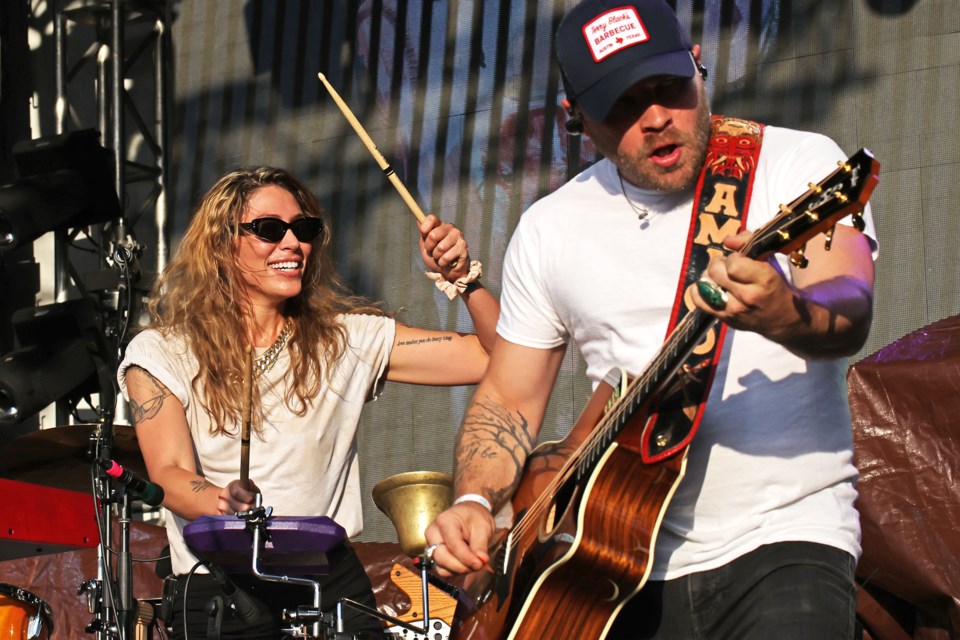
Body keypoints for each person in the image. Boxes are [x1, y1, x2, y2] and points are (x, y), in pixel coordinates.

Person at [424, 1, 877, 638]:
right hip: (611, 568)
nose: (657, 118)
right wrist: (474, 499)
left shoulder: (798, 165)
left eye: (669, 87)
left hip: (789, 535)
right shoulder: (550, 230)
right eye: (623, 104)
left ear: (699, 66)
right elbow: (508, 397)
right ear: (574, 119)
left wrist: (786, 313)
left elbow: (848, 304)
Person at [118, 166, 499, 639]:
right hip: (221, 589)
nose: (292, 243)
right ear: (220, 245)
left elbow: (497, 359)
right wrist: (221, 501)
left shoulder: (348, 340)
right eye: (269, 230)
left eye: (304, 229)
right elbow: (169, 472)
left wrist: (464, 280)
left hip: (328, 583)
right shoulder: (161, 351)